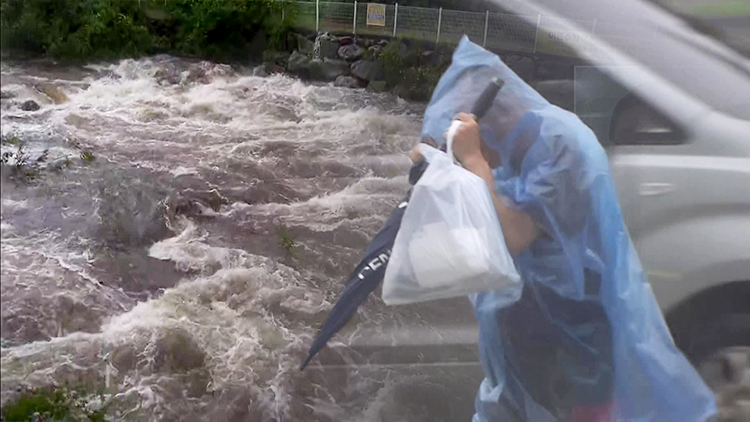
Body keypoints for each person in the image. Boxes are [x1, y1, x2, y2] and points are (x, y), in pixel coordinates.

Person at [411, 36, 716, 422]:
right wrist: (436, 163)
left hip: (576, 336)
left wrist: (473, 160)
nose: (477, 149)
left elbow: (513, 236)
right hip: (525, 328)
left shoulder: (562, 146)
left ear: (495, 115)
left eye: (471, 132)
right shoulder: (510, 148)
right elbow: (472, 214)